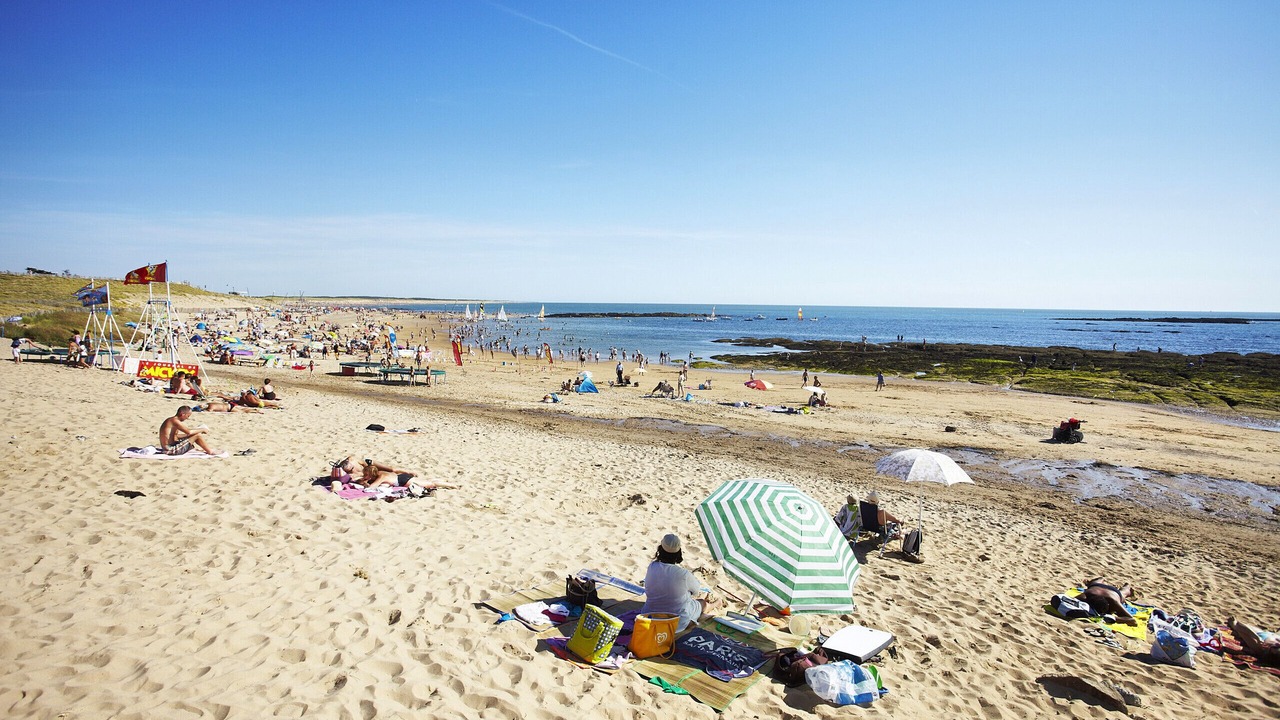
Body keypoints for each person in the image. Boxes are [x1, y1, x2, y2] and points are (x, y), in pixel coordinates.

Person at [640, 534, 717, 632]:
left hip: (649, 617)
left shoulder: (652, 566)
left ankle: (705, 601)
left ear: (660, 550)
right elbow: (696, 591)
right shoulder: (683, 574)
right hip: (676, 623)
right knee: (702, 603)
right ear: (678, 553)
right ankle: (717, 603)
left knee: (689, 600)